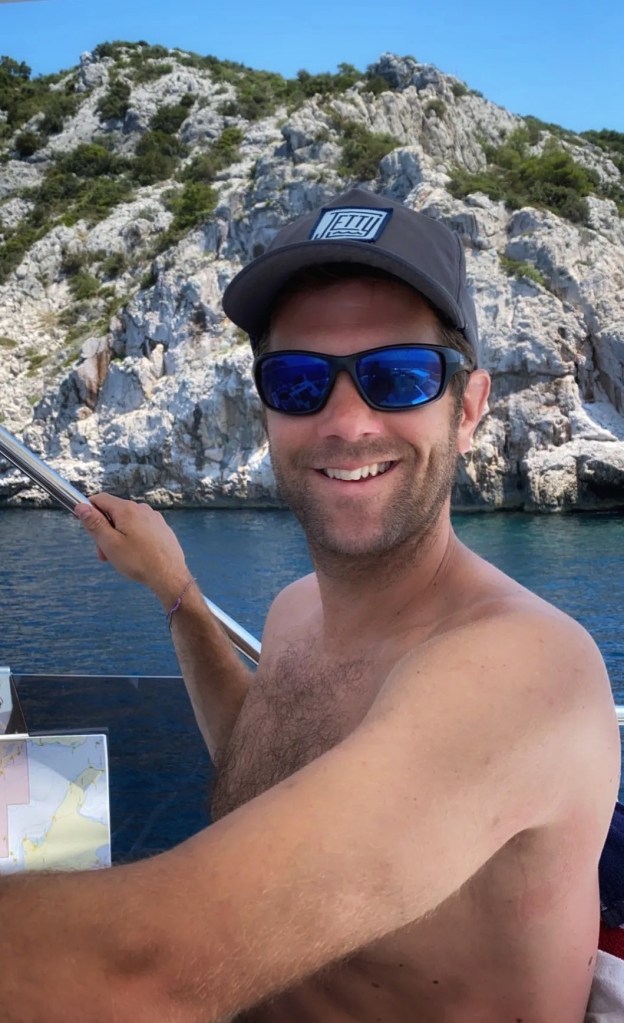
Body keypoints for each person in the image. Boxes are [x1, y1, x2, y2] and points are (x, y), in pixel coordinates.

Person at [1, 187, 621, 1022]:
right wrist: (178, 593)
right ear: (266, 410)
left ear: (468, 408)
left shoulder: (526, 671)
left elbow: (145, 968)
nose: (347, 421)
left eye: (398, 377)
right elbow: (265, 764)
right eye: (299, 382)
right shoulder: (295, 612)